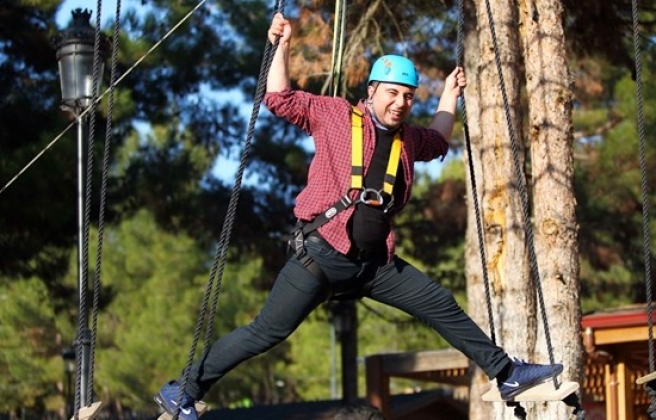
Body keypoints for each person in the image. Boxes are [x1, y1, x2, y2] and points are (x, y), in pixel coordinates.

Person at [154, 13, 563, 420]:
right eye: (392, 93)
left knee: (438, 302)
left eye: (407, 96)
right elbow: (278, 97)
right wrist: (283, 44)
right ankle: (183, 391)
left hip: (373, 264)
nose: (400, 103)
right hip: (322, 255)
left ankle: (506, 373)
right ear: (371, 91)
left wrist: (449, 94)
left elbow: (438, 138)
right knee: (266, 333)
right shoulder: (334, 115)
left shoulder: (408, 140)